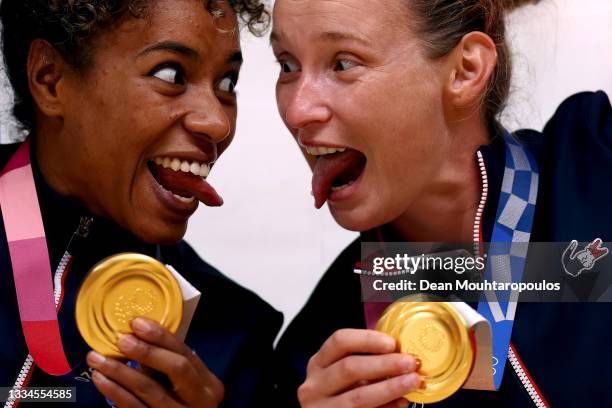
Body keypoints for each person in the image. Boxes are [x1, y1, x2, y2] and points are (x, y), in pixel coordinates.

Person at [270, 0, 612, 406]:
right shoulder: (320, 356)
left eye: (344, 63)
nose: (297, 111)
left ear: (465, 70)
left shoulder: (597, 159)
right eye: (287, 65)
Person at [0, 1, 282, 407]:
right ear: (50, 79)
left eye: (227, 84)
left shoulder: (235, 334)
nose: (218, 123)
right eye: (171, 74)